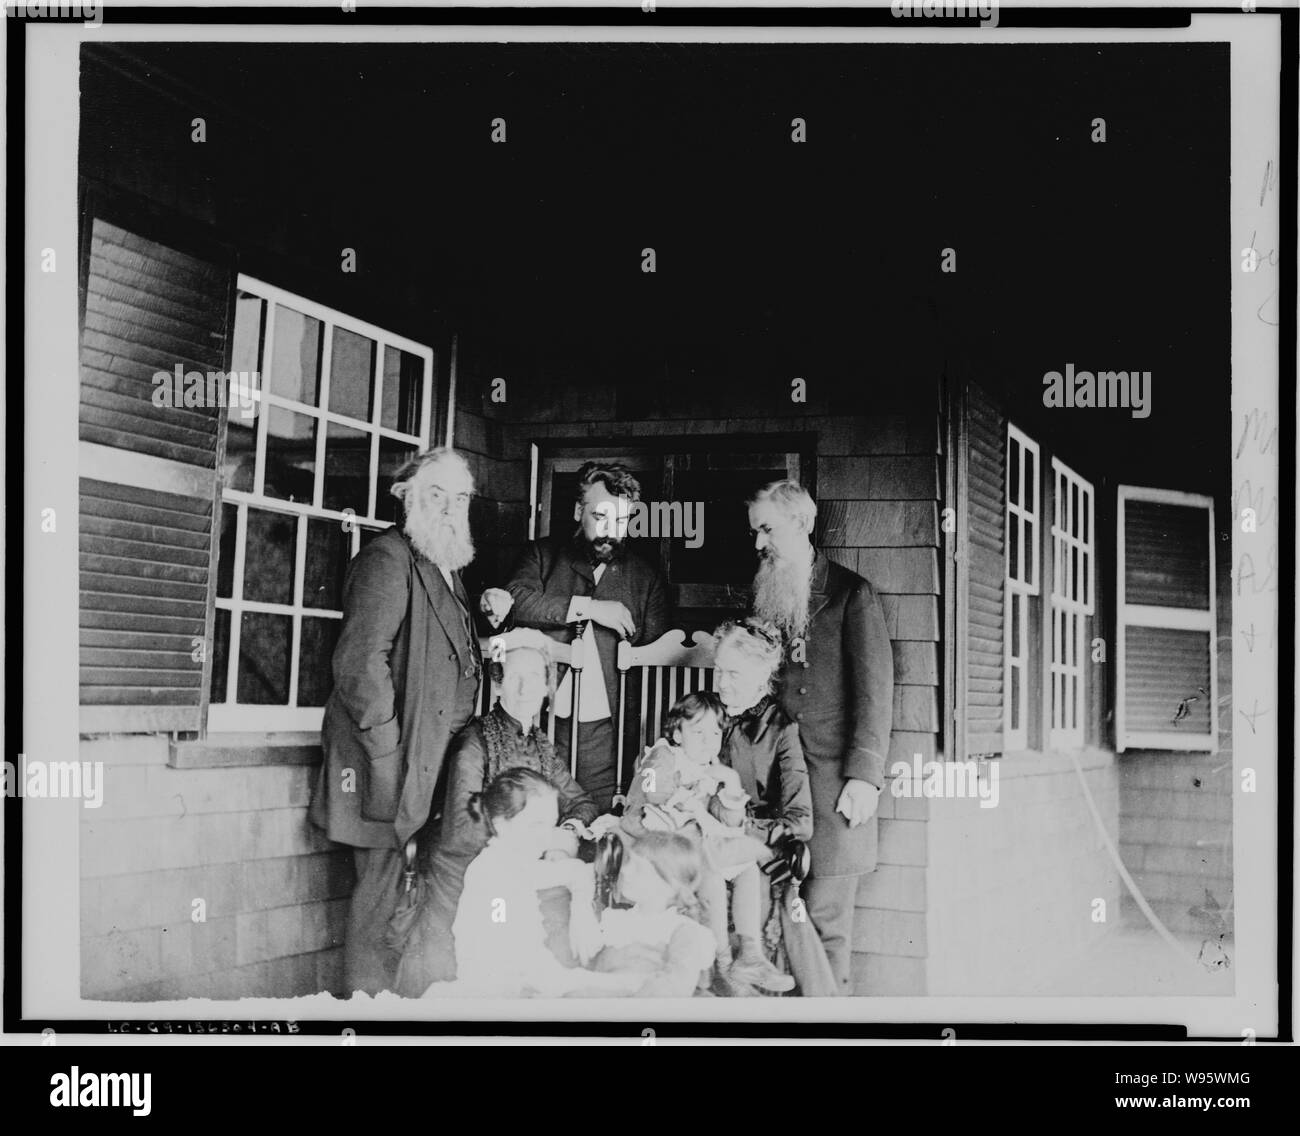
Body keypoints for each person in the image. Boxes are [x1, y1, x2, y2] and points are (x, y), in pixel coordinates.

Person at [308, 447, 485, 995]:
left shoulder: (441, 564)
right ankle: (363, 1016)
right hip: (387, 769)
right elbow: (360, 665)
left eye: (460, 499)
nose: (451, 508)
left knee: (404, 908)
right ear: (406, 494)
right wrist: (388, 756)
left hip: (425, 768)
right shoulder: (388, 558)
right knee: (379, 905)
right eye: (437, 494)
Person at [747, 480, 895, 994]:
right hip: (781, 787)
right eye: (756, 532)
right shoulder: (766, 591)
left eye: (767, 529)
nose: (759, 543)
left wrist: (865, 779)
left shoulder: (853, 594)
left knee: (827, 926)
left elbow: (875, 694)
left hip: (834, 788)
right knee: (778, 920)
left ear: (802, 524)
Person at [394, 630, 599, 996]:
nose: (524, 688)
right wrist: (537, 842)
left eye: (534, 677)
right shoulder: (475, 741)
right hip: (466, 867)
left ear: (547, 686)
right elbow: (461, 830)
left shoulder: (540, 745)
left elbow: (582, 802)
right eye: (514, 677)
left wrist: (565, 830)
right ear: (499, 682)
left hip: (519, 862)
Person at [503, 461, 670, 811]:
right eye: (601, 517)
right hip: (542, 723)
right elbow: (516, 599)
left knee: (597, 820)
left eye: (621, 521)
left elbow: (655, 661)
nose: (611, 531)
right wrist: (590, 608)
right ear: (579, 511)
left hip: (608, 735)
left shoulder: (646, 578)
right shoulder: (542, 555)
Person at [620, 691, 794, 995]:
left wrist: (728, 784)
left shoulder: (710, 766)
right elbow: (654, 793)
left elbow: (724, 819)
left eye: (715, 732)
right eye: (697, 732)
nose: (707, 740)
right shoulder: (664, 755)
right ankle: (722, 962)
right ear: (677, 734)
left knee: (748, 869)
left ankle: (751, 955)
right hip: (656, 836)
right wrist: (689, 794)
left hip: (692, 837)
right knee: (712, 873)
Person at [422, 768, 639, 998]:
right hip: (494, 987)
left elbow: (578, 873)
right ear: (501, 824)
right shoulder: (491, 873)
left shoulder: (517, 862)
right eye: (536, 825)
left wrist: (581, 913)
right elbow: (502, 956)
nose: (547, 836)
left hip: (529, 976)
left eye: (551, 824)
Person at [712, 617, 837, 997]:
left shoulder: (782, 731)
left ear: (761, 673)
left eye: (733, 674)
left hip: (754, 851)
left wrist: (742, 830)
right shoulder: (705, 714)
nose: (721, 684)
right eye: (717, 671)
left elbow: (800, 822)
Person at [589, 831, 719, 998]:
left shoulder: (683, 932)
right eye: (629, 863)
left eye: (639, 868)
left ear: (671, 884)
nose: (625, 872)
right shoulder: (615, 922)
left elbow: (674, 988)